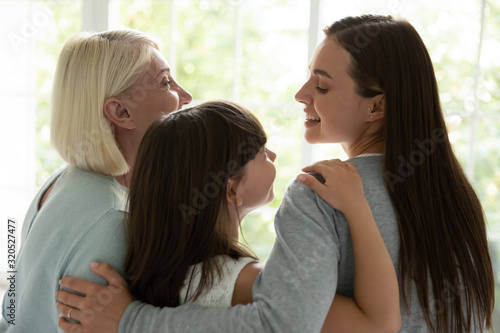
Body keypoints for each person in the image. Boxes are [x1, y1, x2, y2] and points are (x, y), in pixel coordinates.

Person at [55, 14, 494, 333]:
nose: (302, 94)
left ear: (377, 106)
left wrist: (131, 320)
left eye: (321, 86)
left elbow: (282, 323)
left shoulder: (320, 195)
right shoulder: (458, 196)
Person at [58, 100, 399, 331]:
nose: (274, 154)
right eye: (261, 151)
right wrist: (357, 208)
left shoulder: (165, 269)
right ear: (232, 189)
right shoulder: (242, 282)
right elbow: (378, 324)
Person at [0, 29, 192, 332]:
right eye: (166, 82)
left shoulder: (60, 180)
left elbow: (12, 309)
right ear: (120, 111)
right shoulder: (113, 220)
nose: (186, 96)